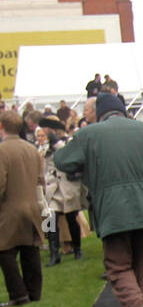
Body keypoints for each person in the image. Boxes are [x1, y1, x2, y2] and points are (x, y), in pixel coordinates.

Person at [53, 89, 143, 307]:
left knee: (117, 266)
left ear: (100, 113)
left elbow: (62, 161)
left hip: (113, 212)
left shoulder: (88, 134)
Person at [0, 110, 44, 307]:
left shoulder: (2, 151)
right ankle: (34, 292)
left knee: (4, 251)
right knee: (30, 249)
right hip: (32, 206)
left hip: (9, 209)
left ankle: (18, 294)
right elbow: (40, 180)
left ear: (1, 127)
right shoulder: (32, 149)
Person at [39, 113, 86, 263]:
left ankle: (77, 249)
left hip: (67, 184)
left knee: (72, 218)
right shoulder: (46, 145)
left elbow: (68, 157)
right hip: (53, 185)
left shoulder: (69, 141)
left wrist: (57, 143)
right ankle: (54, 253)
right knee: (51, 218)